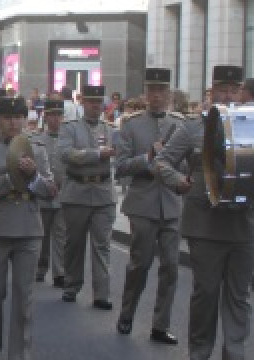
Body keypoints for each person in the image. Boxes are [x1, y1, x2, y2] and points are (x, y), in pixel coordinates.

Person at [156, 65, 254, 360]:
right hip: (206, 221)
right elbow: (162, 162)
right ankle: (199, 354)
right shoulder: (192, 128)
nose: (229, 95)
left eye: (234, 89)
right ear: (211, 91)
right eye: (222, 89)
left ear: (241, 92)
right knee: (206, 292)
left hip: (245, 221)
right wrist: (179, 182)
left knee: (239, 295)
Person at [0, 95, 55, 360]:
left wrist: (33, 178)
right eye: (8, 118)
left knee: (24, 295)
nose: (14, 123)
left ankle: (19, 357)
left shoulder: (38, 151)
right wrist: (11, 177)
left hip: (28, 229)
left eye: (19, 117)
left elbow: (50, 190)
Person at [113, 68, 185, 343]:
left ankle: (160, 324)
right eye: (152, 90)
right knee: (139, 264)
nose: (157, 96)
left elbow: (187, 164)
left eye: (162, 91)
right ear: (146, 93)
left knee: (171, 267)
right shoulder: (131, 125)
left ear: (169, 94)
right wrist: (148, 157)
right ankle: (127, 313)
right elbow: (120, 166)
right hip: (142, 203)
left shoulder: (180, 125)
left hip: (171, 203)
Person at [57, 84, 116, 311]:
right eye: (91, 102)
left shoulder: (109, 129)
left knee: (102, 245)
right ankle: (71, 285)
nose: (95, 106)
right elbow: (64, 154)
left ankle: (102, 293)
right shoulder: (70, 128)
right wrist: (96, 154)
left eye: (99, 102)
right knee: (75, 243)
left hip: (103, 193)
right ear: (83, 103)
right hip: (77, 193)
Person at [30, 97, 68, 286]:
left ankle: (59, 272)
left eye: (58, 115)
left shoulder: (68, 139)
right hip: (43, 192)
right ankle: (40, 266)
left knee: (61, 234)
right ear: (45, 117)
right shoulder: (36, 140)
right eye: (51, 115)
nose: (55, 119)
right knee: (42, 233)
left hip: (63, 192)